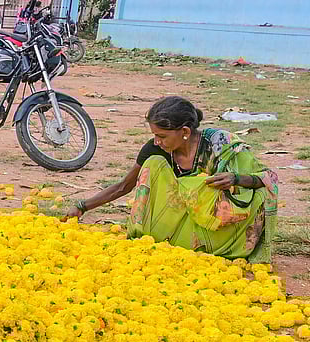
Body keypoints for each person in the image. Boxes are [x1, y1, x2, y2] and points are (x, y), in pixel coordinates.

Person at [67, 97, 278, 263]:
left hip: (218, 228)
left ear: (185, 131)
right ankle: (162, 240)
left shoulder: (219, 143)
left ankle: (225, 247)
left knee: (258, 193)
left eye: (162, 136)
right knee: (153, 164)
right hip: (176, 231)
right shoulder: (156, 150)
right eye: (155, 135)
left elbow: (267, 179)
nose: (157, 141)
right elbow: (124, 186)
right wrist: (82, 206)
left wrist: (236, 178)